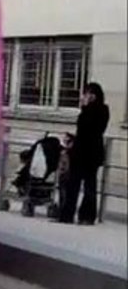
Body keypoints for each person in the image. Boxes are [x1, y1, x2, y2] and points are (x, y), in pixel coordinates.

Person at [58, 82, 110, 225]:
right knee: (75, 184)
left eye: (86, 94)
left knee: (88, 186)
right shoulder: (89, 110)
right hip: (82, 152)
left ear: (93, 95)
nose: (83, 97)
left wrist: (86, 108)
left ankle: (85, 216)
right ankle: (69, 215)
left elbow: (92, 129)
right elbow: (83, 132)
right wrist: (73, 139)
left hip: (89, 153)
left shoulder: (100, 110)